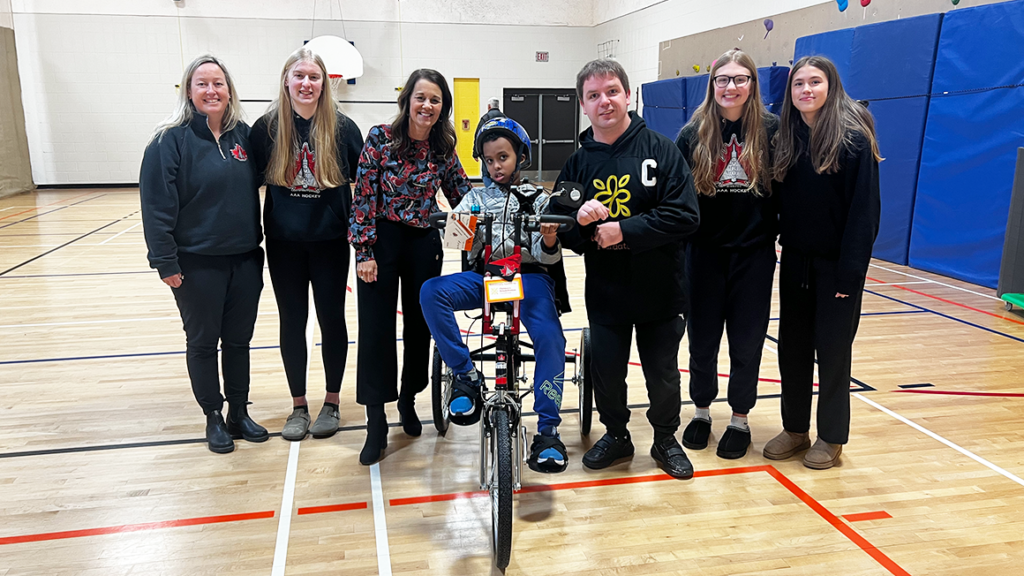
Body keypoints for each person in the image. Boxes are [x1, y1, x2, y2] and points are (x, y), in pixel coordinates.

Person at [554, 59, 700, 479]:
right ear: (583, 104)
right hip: (607, 292)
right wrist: (580, 224)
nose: (605, 101)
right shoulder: (579, 164)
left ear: (628, 95)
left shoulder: (661, 149)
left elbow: (685, 215)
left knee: (663, 374)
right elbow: (559, 227)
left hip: (661, 288)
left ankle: (665, 439)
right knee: (608, 373)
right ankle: (616, 435)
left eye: (612, 91)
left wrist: (624, 230)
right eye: (594, 95)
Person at [420, 117, 569, 473]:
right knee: (431, 292)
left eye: (503, 157)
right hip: (484, 276)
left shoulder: (538, 197)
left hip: (529, 278)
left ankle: (547, 431)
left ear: (520, 156)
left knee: (550, 337)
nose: (495, 166)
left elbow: (547, 257)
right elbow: (457, 243)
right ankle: (466, 374)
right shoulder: (474, 196)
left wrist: (548, 237)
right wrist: (459, 228)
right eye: (489, 160)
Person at [140, 55, 267, 454]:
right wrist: (165, 261)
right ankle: (213, 415)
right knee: (202, 342)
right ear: (189, 91)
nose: (211, 91)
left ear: (229, 91)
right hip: (196, 264)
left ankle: (238, 412)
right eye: (202, 84)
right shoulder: (168, 141)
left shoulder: (244, 136)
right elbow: (156, 206)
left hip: (245, 259)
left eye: (218, 83)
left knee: (239, 342)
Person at [349, 69, 473, 465]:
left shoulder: (442, 147)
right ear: (408, 101)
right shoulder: (381, 138)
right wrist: (363, 251)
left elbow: (462, 196)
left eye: (435, 100)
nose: (427, 106)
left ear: (443, 107)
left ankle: (408, 399)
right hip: (381, 241)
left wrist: (497, 205)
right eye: (421, 97)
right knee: (376, 328)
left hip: (423, 242)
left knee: (421, 326)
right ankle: (375, 422)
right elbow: (364, 195)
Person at [765, 55, 881, 470]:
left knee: (832, 354)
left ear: (831, 87)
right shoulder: (788, 139)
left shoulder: (852, 140)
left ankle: (832, 437)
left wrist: (851, 276)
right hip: (795, 262)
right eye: (798, 84)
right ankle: (795, 428)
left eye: (815, 82)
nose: (806, 91)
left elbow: (864, 215)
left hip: (837, 267)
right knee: (792, 350)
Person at [250, 47, 364, 442]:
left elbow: (364, 191)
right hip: (284, 246)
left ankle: (331, 402)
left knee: (332, 319)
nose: (306, 83)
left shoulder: (345, 129)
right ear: (286, 81)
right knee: (291, 322)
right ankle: (298, 405)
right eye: (299, 76)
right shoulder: (265, 129)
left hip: (330, 244)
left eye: (314, 77)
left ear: (324, 83)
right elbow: (246, 189)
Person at [674, 50, 779, 460]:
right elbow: (678, 201)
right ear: (712, 84)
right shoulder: (693, 133)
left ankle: (740, 418)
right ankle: (700, 411)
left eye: (740, 79)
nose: (730, 87)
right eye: (723, 79)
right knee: (701, 339)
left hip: (752, 256)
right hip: (703, 254)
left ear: (752, 84)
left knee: (746, 340)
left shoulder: (771, 131)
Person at [473, 97, 505, 187]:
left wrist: (475, 153)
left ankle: (491, 191)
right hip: (502, 150)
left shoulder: (485, 118)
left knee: (485, 174)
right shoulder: (504, 118)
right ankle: (500, 191)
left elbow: (477, 136)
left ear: (489, 106)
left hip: (487, 151)